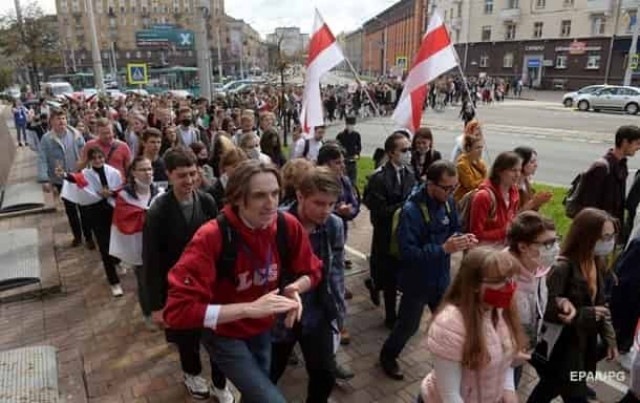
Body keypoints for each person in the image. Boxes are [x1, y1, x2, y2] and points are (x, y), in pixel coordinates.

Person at [163, 160, 323, 403]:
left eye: (275, 193)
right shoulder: (211, 237)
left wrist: (295, 288)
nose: (271, 203)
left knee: (255, 393)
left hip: (262, 327)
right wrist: (248, 309)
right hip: (224, 334)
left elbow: (314, 271)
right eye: (259, 196)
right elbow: (176, 312)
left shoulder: (285, 225)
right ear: (238, 198)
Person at [141, 147, 228, 401]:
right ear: (168, 175)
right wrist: (157, 306)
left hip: (210, 284)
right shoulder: (158, 212)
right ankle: (191, 374)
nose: (189, 181)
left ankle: (221, 384)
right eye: (182, 175)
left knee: (218, 335)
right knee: (187, 337)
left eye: (192, 173)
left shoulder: (208, 201)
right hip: (177, 288)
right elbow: (151, 262)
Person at [380, 161, 477, 380]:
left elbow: (455, 228)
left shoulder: (448, 201)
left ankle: (450, 360)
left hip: (441, 278)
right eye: (447, 188)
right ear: (430, 184)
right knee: (408, 326)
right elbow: (408, 254)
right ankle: (387, 356)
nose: (452, 192)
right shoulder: (411, 211)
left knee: (446, 321)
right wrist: (443, 248)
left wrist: (462, 239)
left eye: (454, 187)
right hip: (417, 282)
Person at [527, 208, 619, 403]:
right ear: (587, 237)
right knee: (568, 392)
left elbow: (601, 306)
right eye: (605, 237)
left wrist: (609, 339)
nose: (610, 242)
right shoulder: (562, 268)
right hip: (561, 348)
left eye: (612, 236)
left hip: (580, 346)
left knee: (548, 388)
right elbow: (547, 309)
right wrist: (586, 314)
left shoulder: (596, 263)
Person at [271, 167, 344, 401]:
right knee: (269, 373)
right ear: (300, 196)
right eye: (319, 203)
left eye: (331, 204)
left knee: (324, 375)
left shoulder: (334, 226)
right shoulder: (276, 224)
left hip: (317, 312)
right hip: (279, 316)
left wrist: (339, 311)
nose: (326, 211)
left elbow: (336, 271)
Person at [418, 248, 527, 403]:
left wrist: (508, 389)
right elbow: (450, 396)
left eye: (509, 279)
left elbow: (505, 356)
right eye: (498, 281)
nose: (508, 286)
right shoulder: (449, 326)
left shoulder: (501, 310)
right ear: (474, 285)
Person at [506, 211, 576, 387]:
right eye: (548, 243)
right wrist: (507, 353)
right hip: (500, 360)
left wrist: (560, 301)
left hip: (521, 353)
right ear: (523, 247)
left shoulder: (538, 267)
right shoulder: (500, 277)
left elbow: (534, 299)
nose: (556, 248)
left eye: (556, 240)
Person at [363, 132, 416, 328]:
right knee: (390, 277)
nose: (409, 153)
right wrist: (404, 205)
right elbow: (379, 212)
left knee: (400, 275)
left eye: (409, 149)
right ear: (391, 153)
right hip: (386, 236)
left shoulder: (410, 173)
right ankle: (391, 316)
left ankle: (375, 283)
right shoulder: (379, 178)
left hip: (406, 234)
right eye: (404, 150)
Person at [57, 147, 123, 296]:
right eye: (94, 158)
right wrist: (63, 175)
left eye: (100, 157)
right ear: (90, 160)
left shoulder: (113, 172)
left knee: (116, 241)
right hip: (96, 213)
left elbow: (120, 189)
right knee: (104, 247)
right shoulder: (86, 174)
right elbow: (75, 179)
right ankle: (114, 282)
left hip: (113, 211)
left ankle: (117, 260)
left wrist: (110, 193)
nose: (98, 160)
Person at [109, 156, 162, 323]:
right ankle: (148, 314)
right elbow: (122, 221)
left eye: (149, 169)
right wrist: (144, 216)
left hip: (158, 246)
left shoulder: (159, 193)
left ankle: (162, 309)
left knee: (161, 280)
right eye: (143, 169)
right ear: (133, 172)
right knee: (144, 283)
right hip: (137, 247)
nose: (148, 173)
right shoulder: (125, 196)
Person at [37, 108, 93, 248]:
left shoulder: (75, 133)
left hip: (78, 176)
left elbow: (85, 153)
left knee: (84, 208)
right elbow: (42, 159)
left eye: (63, 118)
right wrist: (44, 179)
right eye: (58, 119)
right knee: (70, 209)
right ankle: (77, 237)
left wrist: (89, 171)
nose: (61, 121)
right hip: (62, 180)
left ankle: (89, 237)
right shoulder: (47, 139)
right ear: (51, 122)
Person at [577, 125, 640, 233]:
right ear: (625, 142)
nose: (639, 147)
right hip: (598, 230)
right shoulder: (601, 167)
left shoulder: (622, 165)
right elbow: (589, 205)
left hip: (612, 228)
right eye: (637, 143)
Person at [469, 151, 522, 245]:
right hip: (484, 254)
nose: (518, 175)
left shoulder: (514, 192)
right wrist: (504, 232)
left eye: (519, 170)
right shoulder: (483, 197)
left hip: (505, 249)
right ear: (499, 171)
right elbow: (475, 235)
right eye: (513, 170)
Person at [513, 146, 553, 211]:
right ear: (521, 163)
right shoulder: (512, 186)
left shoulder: (526, 181)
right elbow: (514, 216)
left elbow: (532, 209)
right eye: (532, 162)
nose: (536, 165)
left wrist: (539, 201)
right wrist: (534, 202)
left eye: (535, 161)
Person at [453, 135, 487, 202]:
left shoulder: (480, 163)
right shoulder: (462, 164)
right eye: (477, 148)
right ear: (469, 148)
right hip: (463, 200)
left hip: (476, 198)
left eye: (481, 147)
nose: (480, 150)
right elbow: (471, 185)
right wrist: (485, 181)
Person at [336, 116, 362, 185]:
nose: (351, 127)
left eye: (352, 125)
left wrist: (357, 154)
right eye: (349, 125)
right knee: (343, 179)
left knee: (353, 180)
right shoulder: (340, 135)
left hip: (353, 160)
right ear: (346, 125)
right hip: (344, 160)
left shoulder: (356, 135)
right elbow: (337, 147)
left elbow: (359, 146)